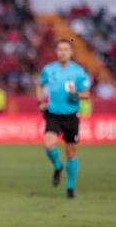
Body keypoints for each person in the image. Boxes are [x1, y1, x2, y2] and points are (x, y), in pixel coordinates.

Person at [36, 39, 91, 199]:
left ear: (71, 52)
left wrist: (77, 94)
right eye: (60, 49)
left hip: (71, 115)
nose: (63, 52)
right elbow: (39, 84)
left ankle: (70, 188)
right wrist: (40, 102)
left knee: (71, 153)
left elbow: (86, 94)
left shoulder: (78, 71)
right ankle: (58, 166)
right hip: (53, 113)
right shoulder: (49, 69)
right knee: (48, 144)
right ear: (57, 51)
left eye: (66, 49)